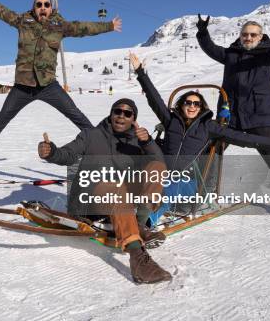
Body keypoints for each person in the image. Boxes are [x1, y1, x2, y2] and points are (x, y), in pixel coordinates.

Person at [129, 52, 270, 218]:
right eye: (188, 103)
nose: (192, 107)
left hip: (188, 183)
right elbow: (154, 99)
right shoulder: (170, 121)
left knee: (162, 193)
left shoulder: (209, 127)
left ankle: (144, 225)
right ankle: (121, 216)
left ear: (202, 108)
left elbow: (247, 139)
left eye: (196, 104)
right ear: (181, 105)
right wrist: (140, 72)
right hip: (163, 175)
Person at [0, 0, 122, 167]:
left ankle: (104, 152)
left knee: (75, 114)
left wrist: (108, 26)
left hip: (48, 85)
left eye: (46, 5)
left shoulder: (59, 26)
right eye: (39, 5)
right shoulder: (23, 21)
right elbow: (2, 12)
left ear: (51, 9)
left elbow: (83, 28)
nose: (43, 7)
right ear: (34, 8)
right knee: (2, 118)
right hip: (23, 86)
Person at [38, 98, 172, 284]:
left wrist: (147, 142)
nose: (121, 116)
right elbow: (68, 155)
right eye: (117, 111)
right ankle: (138, 258)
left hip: (119, 201)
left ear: (133, 118)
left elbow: (159, 164)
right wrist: (51, 152)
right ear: (111, 113)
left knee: (155, 169)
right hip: (91, 199)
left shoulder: (136, 140)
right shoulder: (91, 135)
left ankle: (139, 224)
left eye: (127, 113)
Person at [196, 10, 270, 215]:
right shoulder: (230, 55)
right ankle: (197, 192)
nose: (249, 38)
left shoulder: (269, 55)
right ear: (240, 35)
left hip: (259, 114)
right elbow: (210, 48)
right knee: (211, 150)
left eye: (253, 34)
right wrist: (202, 32)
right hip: (230, 114)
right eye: (245, 34)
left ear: (260, 37)